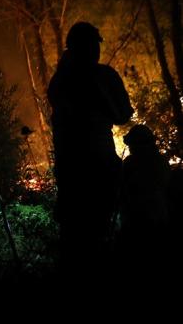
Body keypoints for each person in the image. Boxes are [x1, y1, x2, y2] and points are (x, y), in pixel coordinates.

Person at [47, 21, 133, 291]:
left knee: (86, 233)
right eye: (91, 45)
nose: (94, 50)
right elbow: (120, 115)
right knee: (84, 234)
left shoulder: (71, 79)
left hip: (88, 165)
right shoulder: (70, 80)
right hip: (84, 166)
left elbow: (122, 114)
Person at [119, 124, 170, 292]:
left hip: (136, 221)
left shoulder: (130, 164)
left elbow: (122, 191)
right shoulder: (161, 162)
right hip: (158, 217)